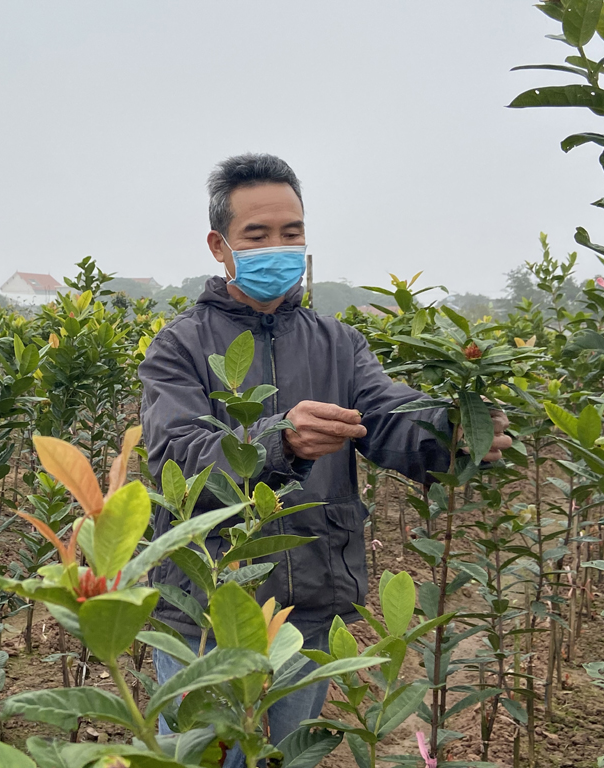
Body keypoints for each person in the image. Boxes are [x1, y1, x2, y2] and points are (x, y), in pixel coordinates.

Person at [139, 153, 511, 767]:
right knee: (209, 758)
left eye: (293, 232)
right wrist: (276, 442)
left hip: (307, 602)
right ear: (219, 244)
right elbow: (178, 458)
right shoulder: (179, 346)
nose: (278, 247)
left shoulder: (339, 343)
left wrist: (451, 432)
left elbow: (387, 414)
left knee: (282, 755)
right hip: (205, 611)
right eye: (257, 235)